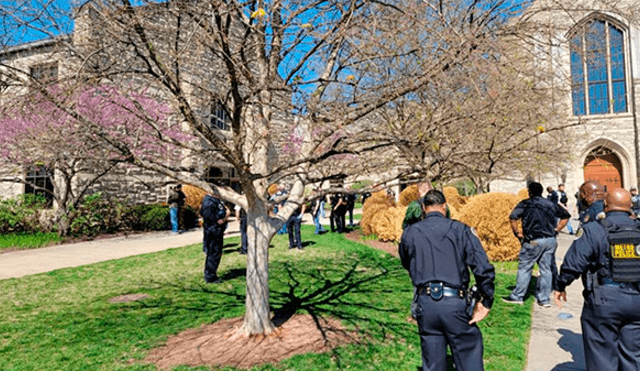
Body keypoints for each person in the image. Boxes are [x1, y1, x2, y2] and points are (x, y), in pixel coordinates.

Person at [399, 190, 495, 371]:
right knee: (468, 356)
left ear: (423, 208)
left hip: (425, 303)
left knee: (433, 362)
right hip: (454, 303)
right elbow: (482, 268)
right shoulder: (461, 230)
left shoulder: (410, 232)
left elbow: (406, 261)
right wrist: (486, 300)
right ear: (444, 206)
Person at [554, 188, 640, 371]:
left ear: (606, 205)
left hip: (605, 300)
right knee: (633, 357)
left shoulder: (594, 229)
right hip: (637, 301)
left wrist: (561, 285)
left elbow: (574, 263)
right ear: (630, 206)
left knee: (602, 357)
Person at [503, 182, 570, 307]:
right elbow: (566, 216)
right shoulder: (551, 204)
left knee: (525, 268)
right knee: (546, 270)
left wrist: (517, 233)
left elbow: (513, 217)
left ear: (530, 192)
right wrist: (557, 229)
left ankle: (518, 296)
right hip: (550, 240)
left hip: (533, 240)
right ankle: (544, 299)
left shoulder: (526, 204)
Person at [200, 193, 229, 283]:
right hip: (213, 230)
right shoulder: (209, 201)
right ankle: (210, 276)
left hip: (217, 230)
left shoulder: (216, 200)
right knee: (213, 252)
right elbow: (207, 216)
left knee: (216, 252)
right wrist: (218, 221)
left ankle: (212, 273)